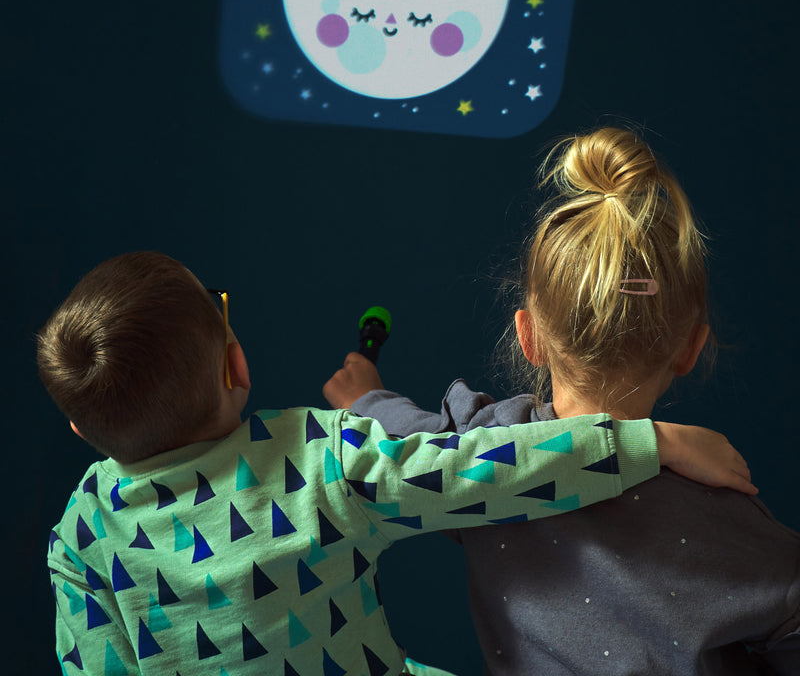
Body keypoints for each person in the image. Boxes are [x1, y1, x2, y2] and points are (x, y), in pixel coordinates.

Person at [41, 253, 753, 676]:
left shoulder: (81, 533)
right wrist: (646, 442)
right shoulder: (318, 457)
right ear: (238, 365)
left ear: (80, 429)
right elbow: (484, 469)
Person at [324, 127, 800, 675]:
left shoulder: (483, 453)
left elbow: (407, 445)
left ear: (528, 337)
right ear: (690, 349)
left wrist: (366, 399)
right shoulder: (724, 508)